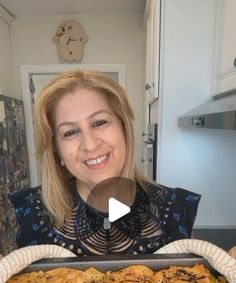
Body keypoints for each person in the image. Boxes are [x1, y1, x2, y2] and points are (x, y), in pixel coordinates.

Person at [5, 69, 202, 256]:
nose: (90, 145)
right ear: (58, 153)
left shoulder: (173, 209)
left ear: (124, 129)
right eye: (70, 132)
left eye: (99, 122)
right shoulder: (33, 212)